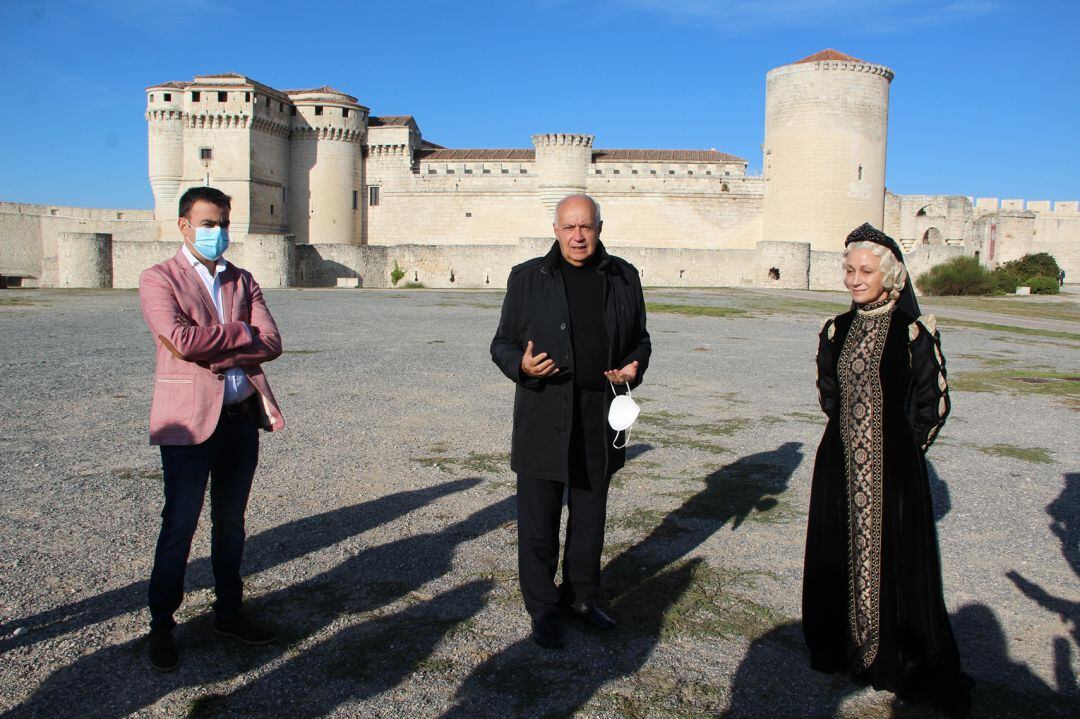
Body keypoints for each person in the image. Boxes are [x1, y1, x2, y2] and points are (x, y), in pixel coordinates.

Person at [803, 223, 971, 716]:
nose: (855, 279)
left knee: (895, 556)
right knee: (840, 549)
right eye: (849, 270)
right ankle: (843, 644)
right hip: (838, 465)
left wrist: (899, 452)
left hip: (894, 471)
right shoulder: (835, 329)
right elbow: (829, 395)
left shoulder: (913, 331)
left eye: (866, 271)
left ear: (890, 275)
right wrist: (850, 441)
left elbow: (932, 403)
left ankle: (895, 653)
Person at [491, 194, 651, 650]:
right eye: (569, 227)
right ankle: (543, 608)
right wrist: (521, 367)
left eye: (586, 227)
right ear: (556, 229)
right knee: (538, 520)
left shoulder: (623, 276)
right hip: (544, 411)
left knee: (589, 515)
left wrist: (633, 367)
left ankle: (582, 596)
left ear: (599, 227)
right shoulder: (527, 278)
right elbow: (501, 343)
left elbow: (640, 339)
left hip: (599, 412)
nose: (578, 236)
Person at [138, 186, 285, 671]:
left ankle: (229, 611)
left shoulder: (243, 279)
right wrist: (241, 335)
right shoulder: (158, 279)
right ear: (184, 225)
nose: (217, 232)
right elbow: (178, 341)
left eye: (223, 223)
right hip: (188, 424)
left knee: (231, 526)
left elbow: (273, 342)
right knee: (178, 526)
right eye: (208, 223)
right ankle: (162, 625)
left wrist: (219, 344)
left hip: (240, 420)